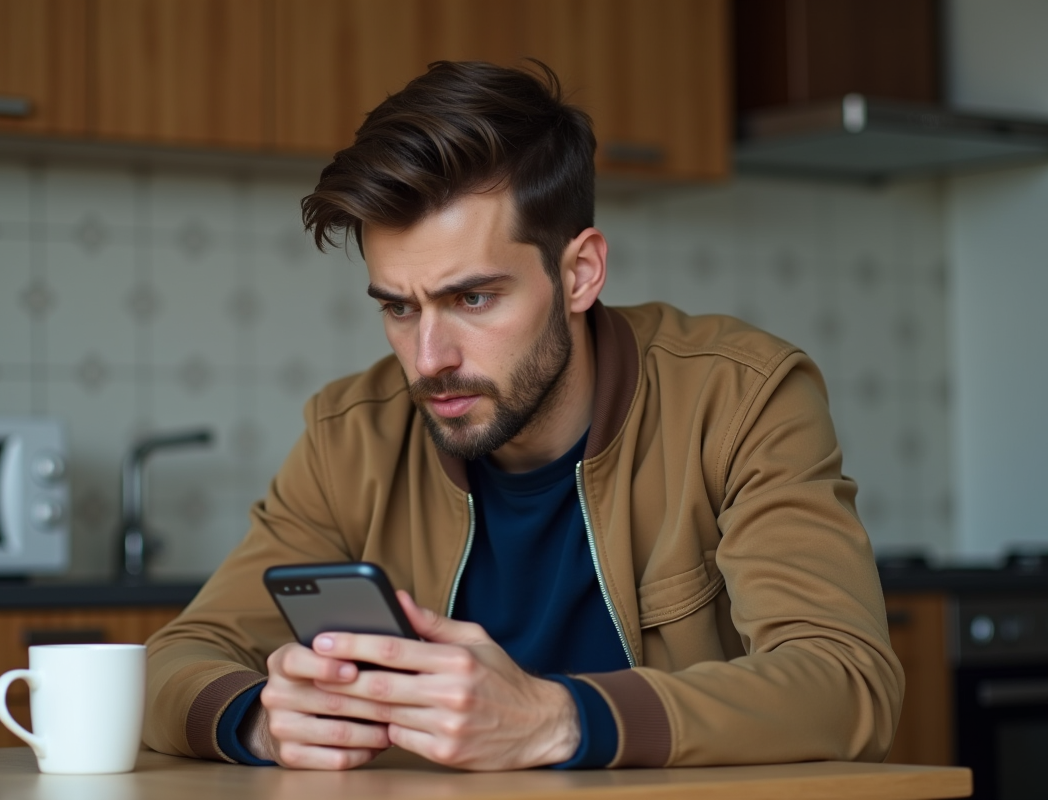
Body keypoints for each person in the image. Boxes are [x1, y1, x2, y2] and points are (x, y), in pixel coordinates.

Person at [143, 60, 903, 771]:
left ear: (579, 274)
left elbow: (847, 680)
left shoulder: (742, 397)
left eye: (473, 298)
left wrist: (558, 718)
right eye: (400, 308)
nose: (429, 356)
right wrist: (262, 722)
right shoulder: (351, 433)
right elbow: (174, 662)